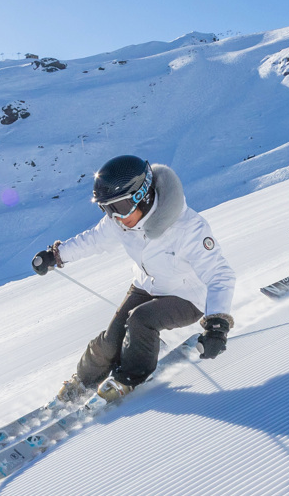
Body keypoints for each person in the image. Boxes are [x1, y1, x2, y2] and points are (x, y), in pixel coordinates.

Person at [31, 155, 236, 403]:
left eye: (118, 207)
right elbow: (94, 240)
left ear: (142, 197)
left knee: (140, 320)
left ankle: (129, 377)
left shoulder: (189, 228)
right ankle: (83, 380)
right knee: (110, 341)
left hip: (187, 297)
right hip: (145, 286)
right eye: (106, 209)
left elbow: (220, 275)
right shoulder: (121, 222)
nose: (114, 217)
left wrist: (217, 325)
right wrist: (57, 255)